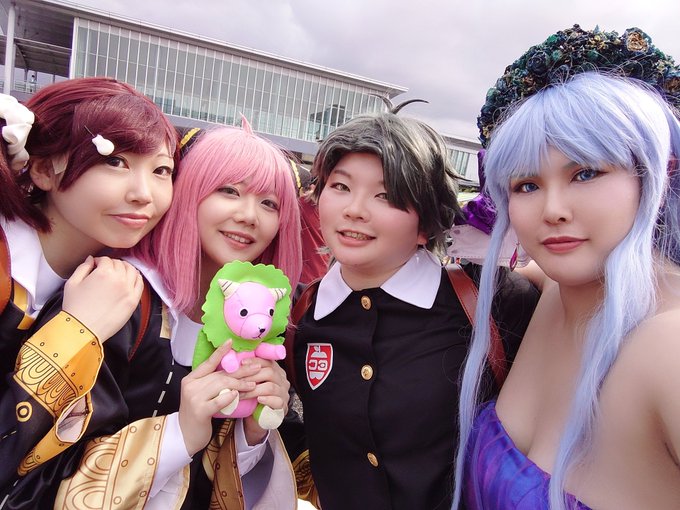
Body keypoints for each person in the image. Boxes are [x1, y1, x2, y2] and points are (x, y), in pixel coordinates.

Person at [5, 123, 303, 509]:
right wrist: (180, 432)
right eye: (229, 191)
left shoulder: (255, 321)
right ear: (187, 191)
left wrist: (253, 430)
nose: (249, 216)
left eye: (270, 203)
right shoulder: (118, 295)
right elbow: (35, 466)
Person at [453, 26, 680, 510]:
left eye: (586, 172)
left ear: (658, 176)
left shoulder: (670, 345)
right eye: (527, 185)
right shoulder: (557, 289)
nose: (553, 210)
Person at [284, 107, 540, 509]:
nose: (355, 209)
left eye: (386, 195)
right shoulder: (298, 313)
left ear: (426, 223)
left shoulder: (491, 302)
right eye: (341, 186)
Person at [0, 76, 178, 502]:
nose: (143, 194)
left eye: (161, 170)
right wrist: (76, 330)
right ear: (43, 169)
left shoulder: (124, 283)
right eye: (115, 162)